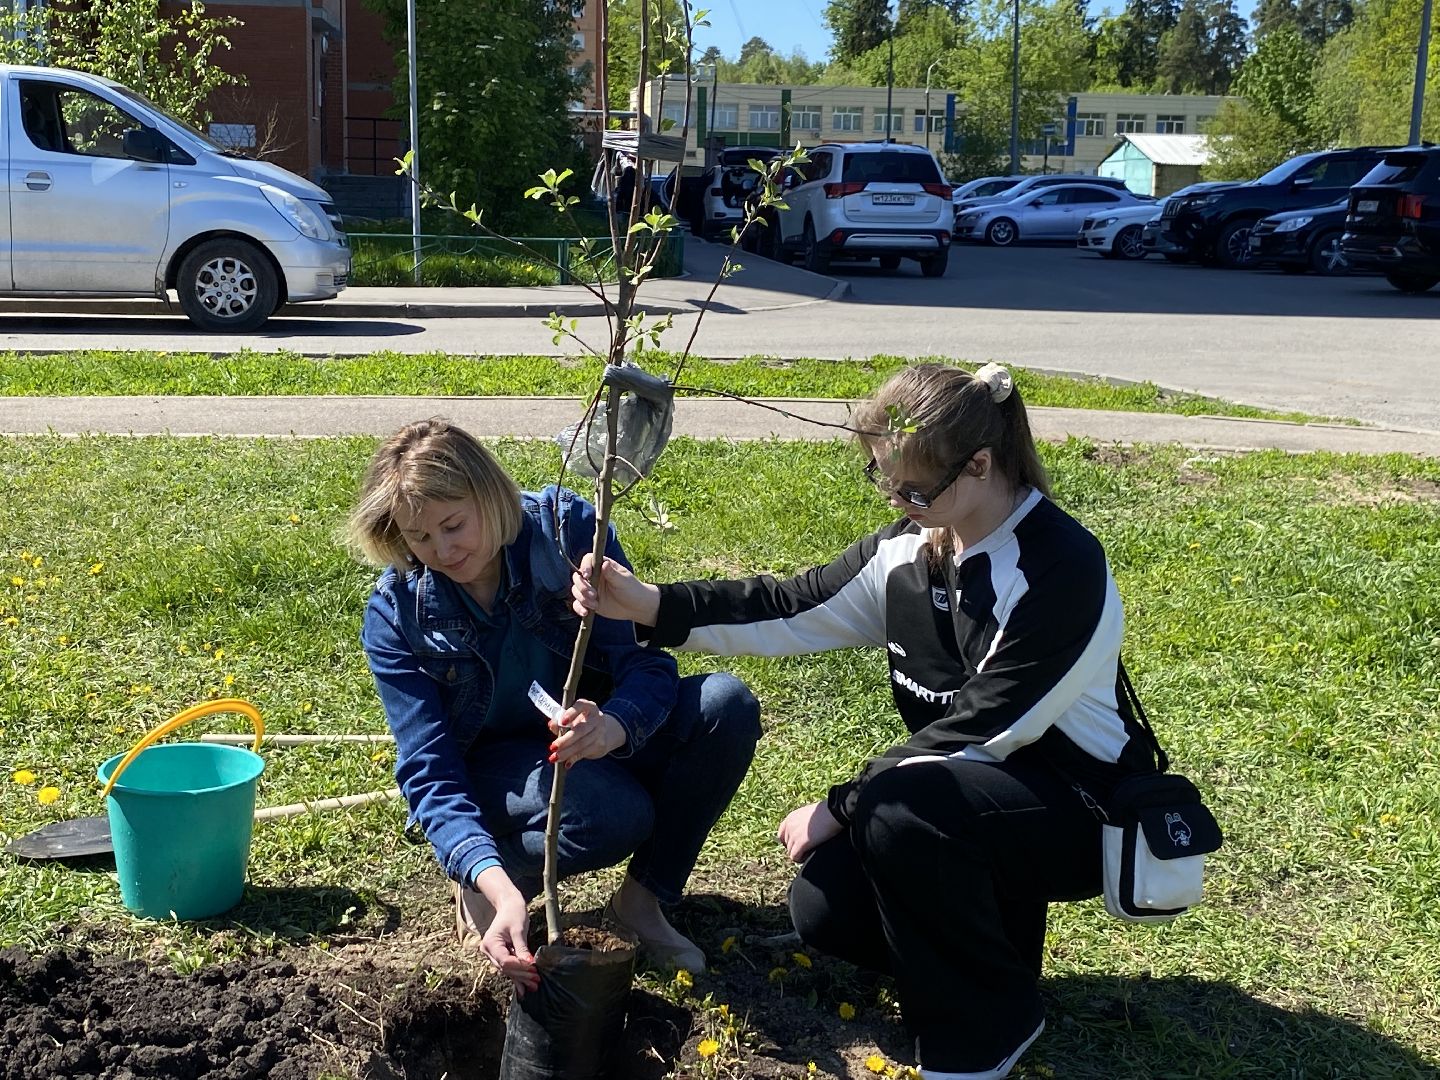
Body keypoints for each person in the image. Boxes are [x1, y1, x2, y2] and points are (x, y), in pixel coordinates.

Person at [571, 364, 1160, 1080]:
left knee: (900, 811)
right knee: (827, 907)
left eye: (914, 487)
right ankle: (996, 957)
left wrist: (844, 805)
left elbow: (988, 726)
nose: (898, 500)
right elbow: (788, 604)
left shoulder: (1060, 568)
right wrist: (651, 605)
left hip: (1075, 808)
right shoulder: (912, 551)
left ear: (980, 464)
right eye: (883, 479)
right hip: (972, 799)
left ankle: (985, 1036)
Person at [348, 419, 760, 993]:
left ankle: (642, 903)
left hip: (591, 733)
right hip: (497, 767)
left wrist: (616, 724)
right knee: (614, 813)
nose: (441, 551)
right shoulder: (398, 614)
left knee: (726, 705)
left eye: (453, 524)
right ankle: (494, 878)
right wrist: (494, 880)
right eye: (419, 537)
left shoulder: (568, 535)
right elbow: (429, 770)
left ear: (489, 494)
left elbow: (644, 662)